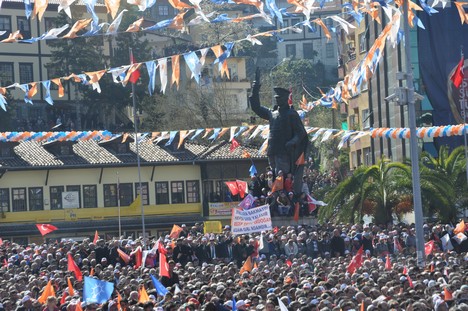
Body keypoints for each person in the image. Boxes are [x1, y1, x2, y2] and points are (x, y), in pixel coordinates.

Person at [249, 68, 309, 195]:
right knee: (273, 174)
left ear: (285, 98)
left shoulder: (291, 114)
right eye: (276, 97)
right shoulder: (272, 113)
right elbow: (256, 107)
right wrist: (255, 86)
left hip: (284, 151)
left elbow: (301, 133)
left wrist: (292, 142)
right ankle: (275, 194)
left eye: (279, 97)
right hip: (272, 150)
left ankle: (284, 196)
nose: (277, 99)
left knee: (283, 175)